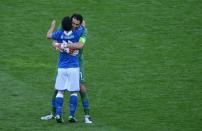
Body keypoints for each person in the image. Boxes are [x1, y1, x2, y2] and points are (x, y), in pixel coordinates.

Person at [41, 14, 92, 124]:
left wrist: (62, 45)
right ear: (70, 22)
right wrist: (57, 45)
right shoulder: (68, 27)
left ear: (80, 24)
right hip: (66, 64)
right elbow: (54, 42)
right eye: (73, 23)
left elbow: (80, 45)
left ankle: (87, 116)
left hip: (77, 62)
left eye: (77, 25)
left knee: (81, 88)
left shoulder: (83, 31)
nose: (74, 26)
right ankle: (54, 114)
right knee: (57, 88)